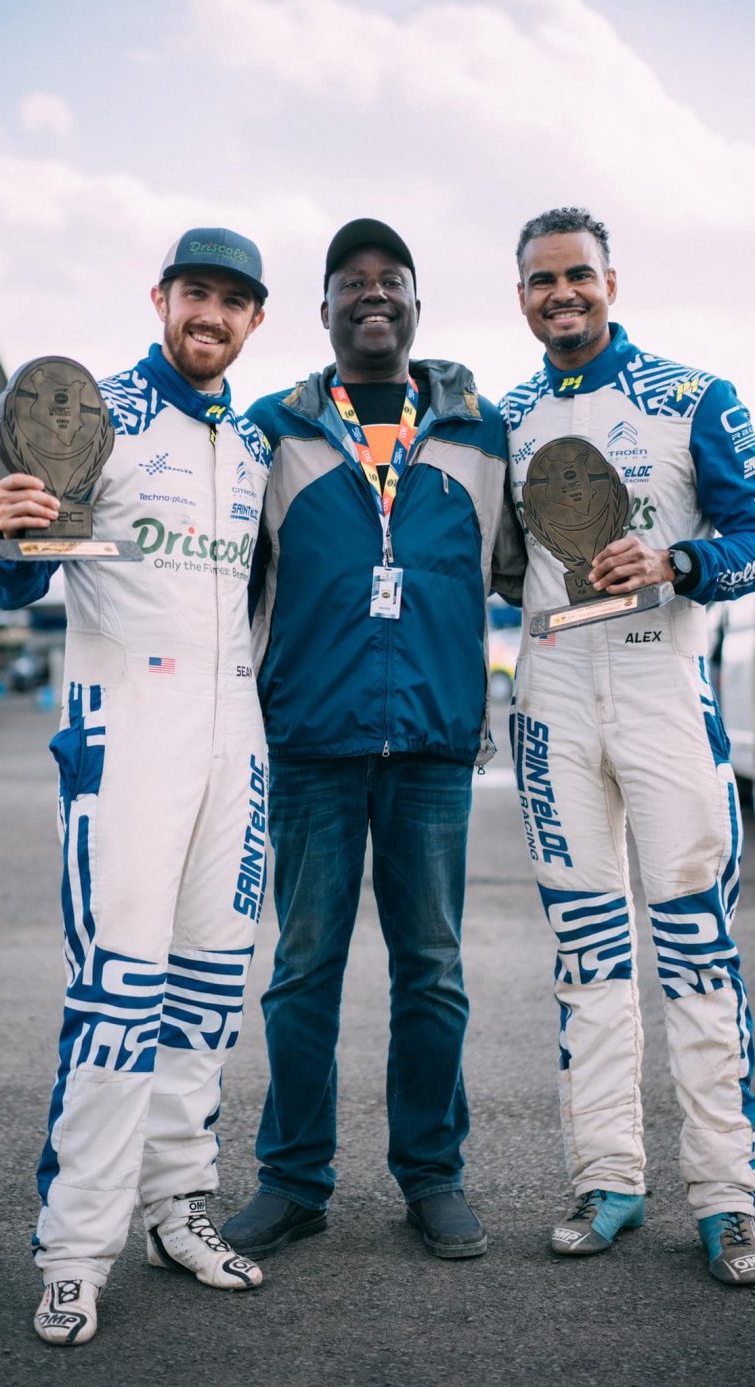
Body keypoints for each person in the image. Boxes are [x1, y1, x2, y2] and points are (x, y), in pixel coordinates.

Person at [0, 227, 273, 1343]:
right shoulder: (90, 413)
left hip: (234, 740)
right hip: (126, 737)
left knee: (206, 990)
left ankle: (175, 1206)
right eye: (196, 292)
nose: (211, 315)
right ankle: (73, 1250)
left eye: (232, 301)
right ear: (161, 298)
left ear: (255, 320)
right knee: (117, 999)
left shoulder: (254, 442)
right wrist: (8, 532)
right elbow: (16, 581)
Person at [221, 218, 525, 1261]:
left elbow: (526, 567)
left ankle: (432, 1177)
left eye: (391, 278)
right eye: (351, 282)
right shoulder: (271, 430)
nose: (373, 293)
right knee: (302, 969)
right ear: (323, 311)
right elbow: (224, 579)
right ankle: (293, 1179)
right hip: (310, 739)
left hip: (434, 743)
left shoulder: (484, 435)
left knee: (431, 970)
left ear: (417, 306)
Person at [501, 206, 755, 1284]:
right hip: (552, 692)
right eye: (541, 280)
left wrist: (678, 561)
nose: (561, 293)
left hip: (663, 684)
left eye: (578, 275)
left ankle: (730, 1196)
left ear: (612, 282)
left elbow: (753, 532)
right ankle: (607, 1179)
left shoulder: (697, 395)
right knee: (587, 950)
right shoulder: (506, 418)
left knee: (697, 946)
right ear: (521, 296)